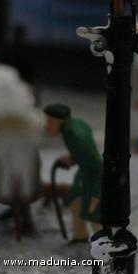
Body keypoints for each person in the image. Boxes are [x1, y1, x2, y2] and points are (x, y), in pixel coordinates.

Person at [44, 104, 102, 243]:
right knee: (75, 200)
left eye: (49, 121)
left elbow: (96, 163)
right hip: (84, 171)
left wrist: (96, 194)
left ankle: (103, 244)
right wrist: (73, 157)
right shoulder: (75, 124)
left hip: (94, 176)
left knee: (93, 212)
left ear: (56, 121)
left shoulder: (74, 135)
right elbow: (84, 152)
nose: (46, 126)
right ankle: (80, 235)